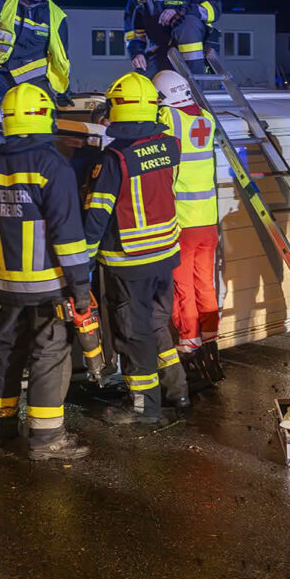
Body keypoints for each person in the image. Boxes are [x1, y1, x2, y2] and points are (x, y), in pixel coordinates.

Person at [0, 83, 93, 460]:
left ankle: (0, 427)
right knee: (49, 357)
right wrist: (81, 288)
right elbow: (68, 237)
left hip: (9, 285)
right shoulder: (52, 166)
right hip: (49, 286)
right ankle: (47, 439)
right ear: (45, 120)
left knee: (6, 352)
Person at [83, 72, 189, 422]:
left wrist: (79, 262)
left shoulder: (115, 158)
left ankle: (143, 408)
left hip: (129, 261)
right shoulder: (170, 144)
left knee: (133, 334)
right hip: (164, 256)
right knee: (157, 324)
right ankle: (177, 390)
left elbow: (97, 215)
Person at [152, 70, 224, 385]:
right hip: (208, 221)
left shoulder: (169, 118)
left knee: (184, 291)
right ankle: (210, 340)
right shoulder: (205, 117)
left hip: (183, 222)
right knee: (205, 285)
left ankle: (189, 346)